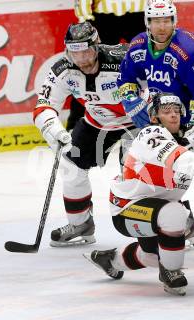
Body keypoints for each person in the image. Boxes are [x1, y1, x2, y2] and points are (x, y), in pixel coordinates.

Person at [83, 92, 194, 296]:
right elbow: (175, 156)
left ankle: (109, 260)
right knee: (175, 214)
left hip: (157, 210)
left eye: (177, 111)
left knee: (153, 255)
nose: (173, 115)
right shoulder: (149, 134)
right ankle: (171, 273)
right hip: (128, 208)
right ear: (154, 117)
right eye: (166, 111)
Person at [116, 0, 194, 250]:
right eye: (156, 21)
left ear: (174, 21)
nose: (162, 26)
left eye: (167, 20)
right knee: (157, 171)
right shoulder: (137, 47)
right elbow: (125, 79)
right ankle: (185, 228)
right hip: (168, 116)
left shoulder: (186, 48)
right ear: (147, 22)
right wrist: (133, 104)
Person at [33, 21, 137, 247]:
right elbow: (44, 106)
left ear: (97, 45)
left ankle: (177, 225)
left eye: (86, 51)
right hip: (97, 121)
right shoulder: (62, 69)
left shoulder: (124, 60)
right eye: (74, 52)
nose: (81, 59)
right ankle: (81, 224)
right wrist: (54, 130)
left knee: (138, 175)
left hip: (136, 122)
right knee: (71, 166)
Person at [67, 0, 147, 131]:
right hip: (105, 16)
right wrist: (84, 17)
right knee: (87, 72)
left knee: (149, 69)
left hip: (140, 13)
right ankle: (74, 127)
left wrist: (161, 11)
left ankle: (159, 123)